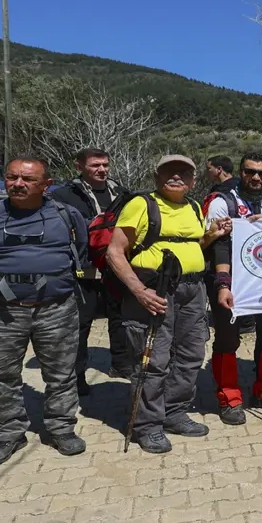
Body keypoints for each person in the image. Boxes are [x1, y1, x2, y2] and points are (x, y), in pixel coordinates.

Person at [0, 156, 89, 466]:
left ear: (46, 185)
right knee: (1, 374)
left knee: (62, 374)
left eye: (28, 180)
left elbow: (80, 252)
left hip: (56, 309)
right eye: (12, 177)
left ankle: (61, 429)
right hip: (0, 312)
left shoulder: (67, 216)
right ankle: (9, 433)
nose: (18, 184)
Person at [107, 155, 231, 454]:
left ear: (192, 180)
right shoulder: (141, 204)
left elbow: (191, 246)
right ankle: (146, 425)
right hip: (155, 290)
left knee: (191, 354)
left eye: (184, 173)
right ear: (156, 176)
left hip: (192, 289)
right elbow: (115, 252)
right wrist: (139, 291)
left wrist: (212, 235)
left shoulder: (191, 206)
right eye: (169, 172)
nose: (176, 177)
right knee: (153, 360)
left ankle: (174, 412)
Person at [207, 153, 262, 426]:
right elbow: (216, 245)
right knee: (227, 338)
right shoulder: (222, 202)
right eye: (250, 171)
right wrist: (223, 284)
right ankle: (229, 398)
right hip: (230, 280)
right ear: (241, 172)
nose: (256, 178)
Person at [51, 148, 132, 395]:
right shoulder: (64, 195)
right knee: (80, 324)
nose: (102, 170)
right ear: (80, 167)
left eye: (105, 165)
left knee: (120, 318)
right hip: (83, 270)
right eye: (95, 165)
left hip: (116, 268)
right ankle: (76, 377)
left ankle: (122, 364)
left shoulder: (121, 192)